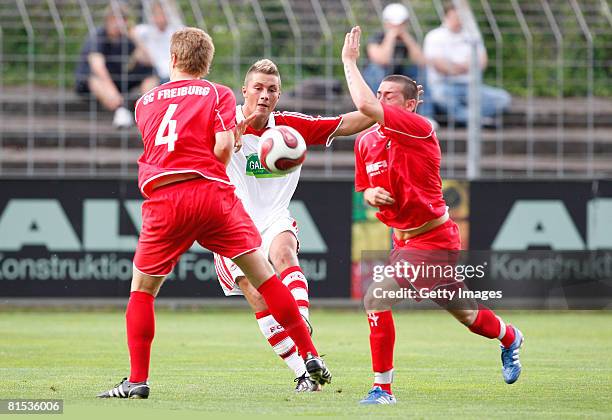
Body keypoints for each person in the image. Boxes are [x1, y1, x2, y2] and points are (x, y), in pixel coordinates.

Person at [97, 28, 331, 399]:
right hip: (211, 194)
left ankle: (137, 380)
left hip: (165, 198)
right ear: (206, 64)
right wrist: (222, 157)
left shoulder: (144, 103)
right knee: (267, 279)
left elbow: (163, 146)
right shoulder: (217, 93)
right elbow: (222, 147)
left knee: (142, 291)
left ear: (172, 59)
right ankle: (311, 354)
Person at [341, 26, 523, 405]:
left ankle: (382, 389)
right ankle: (509, 336)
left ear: (409, 106)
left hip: (434, 240)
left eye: (389, 97)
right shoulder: (366, 141)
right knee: (468, 315)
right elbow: (367, 189)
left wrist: (348, 61)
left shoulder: (419, 129)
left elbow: (363, 107)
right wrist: (371, 194)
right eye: (379, 94)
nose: (380, 101)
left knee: (376, 298)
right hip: (402, 240)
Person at [212, 59, 375, 392]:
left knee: (285, 252)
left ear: (279, 94)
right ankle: (304, 371)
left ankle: (301, 323)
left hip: (274, 216)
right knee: (258, 298)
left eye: (272, 90)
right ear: (244, 91)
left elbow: (357, 120)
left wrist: (377, 101)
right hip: (231, 221)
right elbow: (201, 160)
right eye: (257, 88)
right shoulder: (223, 125)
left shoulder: (290, 127)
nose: (264, 95)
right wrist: (230, 142)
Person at [423, 2, 511, 126]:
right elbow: (440, 66)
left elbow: (483, 62)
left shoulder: (472, 35)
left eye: (461, 16)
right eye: (455, 17)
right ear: (446, 17)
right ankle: (477, 120)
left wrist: (454, 66)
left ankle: (465, 117)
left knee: (503, 99)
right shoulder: (434, 36)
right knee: (440, 98)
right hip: (444, 86)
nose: (458, 20)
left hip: (471, 86)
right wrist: (467, 65)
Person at [74, 3, 159, 129]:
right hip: (94, 82)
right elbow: (98, 68)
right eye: (115, 19)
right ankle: (121, 111)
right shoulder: (98, 36)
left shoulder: (126, 37)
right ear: (108, 20)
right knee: (95, 80)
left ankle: (149, 109)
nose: (118, 24)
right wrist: (115, 95)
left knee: (149, 73)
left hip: (118, 79)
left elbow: (149, 62)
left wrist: (135, 38)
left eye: (123, 20)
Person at [362, 3, 434, 120]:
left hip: (397, 75)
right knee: (377, 69)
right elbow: (382, 60)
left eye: (401, 24)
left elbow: (421, 61)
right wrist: (391, 36)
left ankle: (426, 116)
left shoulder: (407, 38)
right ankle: (379, 111)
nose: (398, 27)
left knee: (420, 71)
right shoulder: (377, 38)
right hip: (376, 78)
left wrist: (406, 37)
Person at [133, 0, 183, 84]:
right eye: (156, 14)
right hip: (155, 72)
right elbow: (131, 30)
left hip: (175, 72)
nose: (160, 17)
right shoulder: (147, 30)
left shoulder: (176, 30)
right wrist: (142, 48)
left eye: (162, 13)